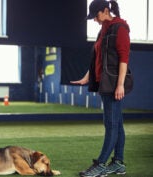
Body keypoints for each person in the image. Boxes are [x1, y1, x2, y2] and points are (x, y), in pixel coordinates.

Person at [71, 0, 130, 176]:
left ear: (105, 10)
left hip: (113, 85)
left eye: (96, 16)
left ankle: (101, 164)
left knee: (111, 125)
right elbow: (97, 58)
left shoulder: (120, 28)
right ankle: (118, 163)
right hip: (103, 83)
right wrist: (87, 77)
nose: (95, 20)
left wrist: (120, 85)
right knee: (117, 125)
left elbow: (124, 59)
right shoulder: (103, 30)